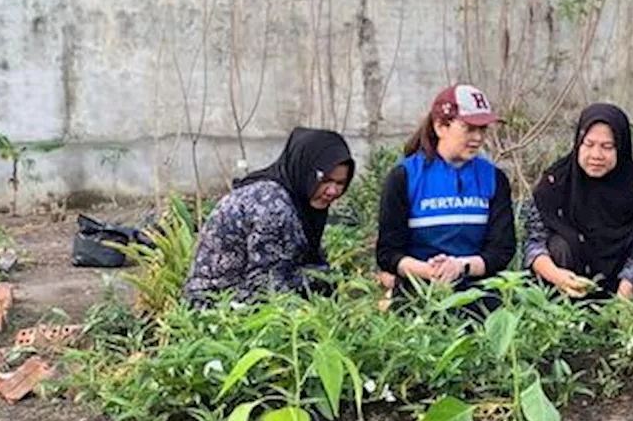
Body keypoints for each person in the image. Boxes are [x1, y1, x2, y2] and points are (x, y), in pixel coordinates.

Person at [374, 84, 516, 301]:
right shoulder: (404, 177)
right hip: (419, 292)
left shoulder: (494, 178)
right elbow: (388, 253)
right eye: (469, 128)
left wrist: (460, 266)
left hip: (478, 292)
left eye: (483, 129)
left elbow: (501, 250)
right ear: (441, 127)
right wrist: (430, 271)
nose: (478, 138)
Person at [183, 127, 355, 305]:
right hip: (217, 305)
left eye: (341, 183)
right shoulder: (272, 206)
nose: (333, 191)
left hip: (238, 294)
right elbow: (265, 287)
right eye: (325, 180)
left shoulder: (295, 196)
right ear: (304, 169)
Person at [522, 103, 633, 301]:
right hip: (565, 285)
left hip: (621, 283)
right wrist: (557, 276)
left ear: (621, 146)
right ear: (578, 143)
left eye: (607, 147)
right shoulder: (556, 181)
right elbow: (534, 241)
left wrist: (626, 288)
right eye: (589, 144)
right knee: (559, 246)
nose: (596, 155)